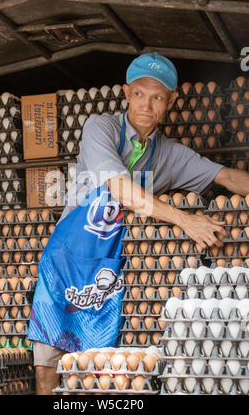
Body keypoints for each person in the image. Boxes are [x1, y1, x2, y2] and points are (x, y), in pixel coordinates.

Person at [28, 53, 249, 395]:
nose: (147, 104)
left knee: (102, 369)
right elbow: (121, 188)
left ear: (170, 101)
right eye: (140, 93)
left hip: (110, 268)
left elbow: (227, 177)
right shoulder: (100, 128)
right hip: (66, 261)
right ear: (127, 92)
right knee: (48, 365)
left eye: (158, 96)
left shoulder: (169, 154)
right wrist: (185, 220)